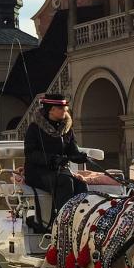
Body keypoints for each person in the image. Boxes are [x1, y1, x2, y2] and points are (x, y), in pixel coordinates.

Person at [23, 94, 93, 226]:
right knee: (65, 182)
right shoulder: (34, 128)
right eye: (61, 108)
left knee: (81, 185)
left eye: (65, 108)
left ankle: (81, 222)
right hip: (37, 173)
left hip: (59, 171)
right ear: (51, 109)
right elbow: (30, 154)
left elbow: (72, 151)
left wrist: (80, 156)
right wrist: (53, 159)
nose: (65, 111)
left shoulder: (67, 129)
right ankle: (62, 223)